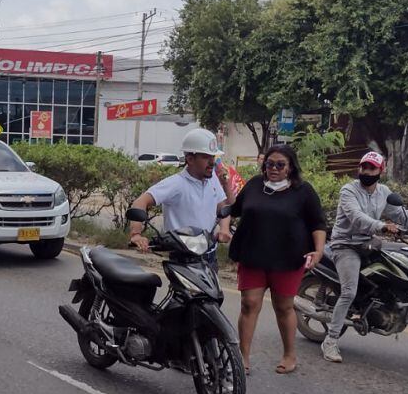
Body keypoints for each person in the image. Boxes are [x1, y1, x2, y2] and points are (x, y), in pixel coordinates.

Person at [320, 151, 408, 363]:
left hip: (368, 243)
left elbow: (402, 215)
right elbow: (357, 218)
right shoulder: (348, 190)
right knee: (349, 291)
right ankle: (330, 341)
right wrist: (382, 226)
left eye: (372, 168)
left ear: (380, 171)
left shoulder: (383, 192)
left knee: (398, 266)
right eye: (364, 167)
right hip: (346, 245)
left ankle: (374, 307)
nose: (366, 172)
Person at [229, 144, 327, 375]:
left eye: (280, 164)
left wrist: (319, 251)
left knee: (284, 307)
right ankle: (242, 357)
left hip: (288, 259)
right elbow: (234, 209)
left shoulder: (303, 191)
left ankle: (289, 354)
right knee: (249, 304)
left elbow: (318, 224)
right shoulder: (254, 185)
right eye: (269, 164)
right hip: (253, 256)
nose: (273, 168)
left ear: (291, 167)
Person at [129, 128, 232, 270]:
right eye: (206, 157)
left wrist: (224, 228)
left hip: (209, 257)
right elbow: (140, 203)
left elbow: (223, 207)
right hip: (183, 259)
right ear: (190, 159)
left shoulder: (212, 179)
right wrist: (136, 234)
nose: (211, 162)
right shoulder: (176, 184)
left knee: (212, 293)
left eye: (213, 157)